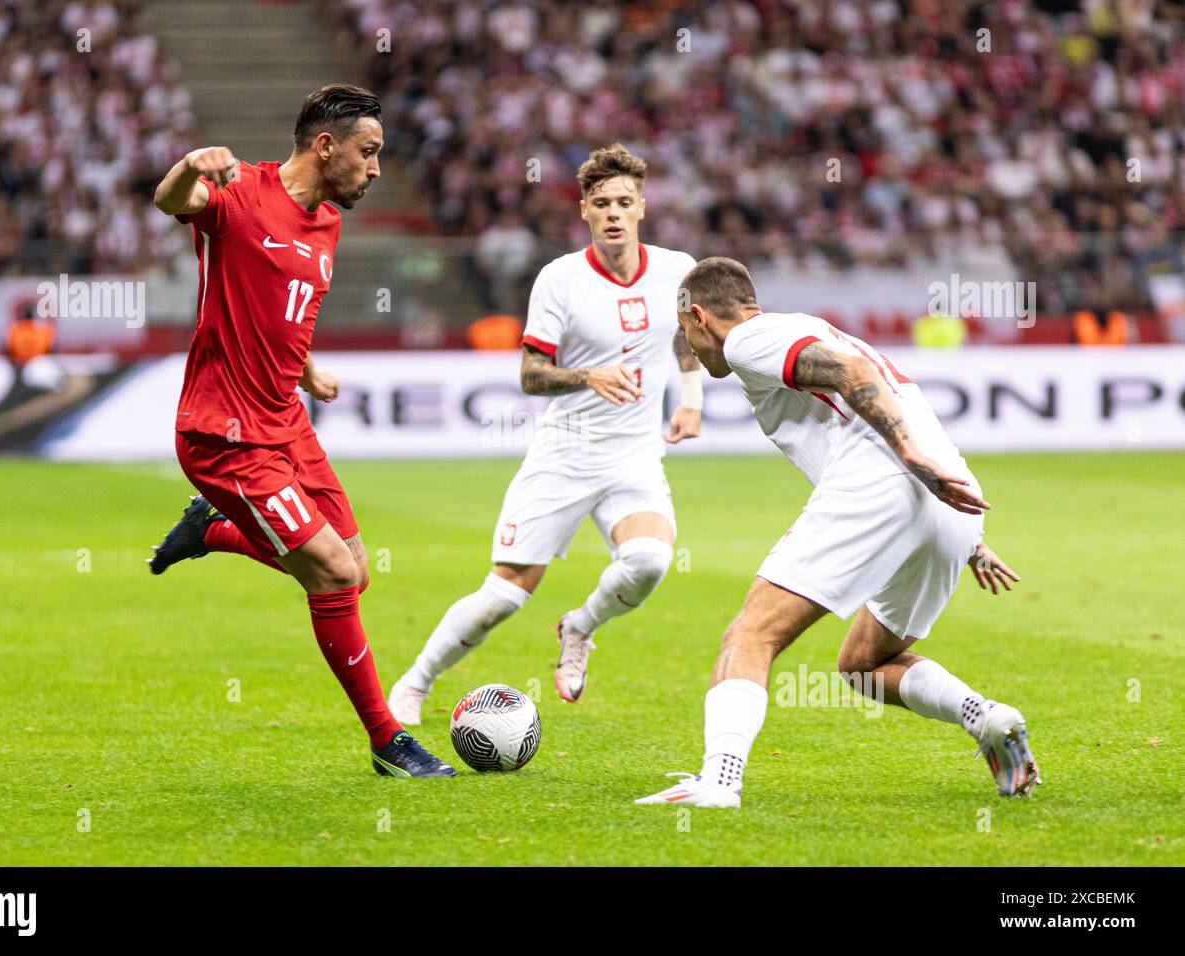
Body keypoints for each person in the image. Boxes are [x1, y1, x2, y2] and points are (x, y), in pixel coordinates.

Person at [636, 257, 1038, 808]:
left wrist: (906, 454)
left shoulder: (749, 340)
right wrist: (969, 536)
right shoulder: (797, 329)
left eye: (687, 334)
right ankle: (988, 719)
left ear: (700, 317)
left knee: (751, 636)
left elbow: (854, 374)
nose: (694, 350)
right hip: (948, 503)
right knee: (863, 666)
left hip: (887, 479)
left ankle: (719, 782)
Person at [146, 84, 455, 779]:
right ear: (326, 146)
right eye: (368, 153)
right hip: (225, 433)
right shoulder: (239, 194)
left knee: (354, 571)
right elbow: (170, 202)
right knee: (333, 574)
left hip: (285, 420)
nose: (376, 169)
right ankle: (387, 741)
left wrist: (308, 369)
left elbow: (282, 303)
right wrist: (193, 163)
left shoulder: (326, 222)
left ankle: (213, 531)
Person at [388, 144, 704, 724]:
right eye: (602, 202)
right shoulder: (559, 280)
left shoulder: (676, 268)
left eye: (624, 202)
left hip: (635, 456)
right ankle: (415, 683)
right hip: (565, 454)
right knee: (502, 597)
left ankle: (580, 626)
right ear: (583, 209)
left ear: (643, 207)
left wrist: (690, 400)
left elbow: (686, 336)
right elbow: (531, 374)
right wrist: (588, 374)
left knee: (650, 562)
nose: (613, 212)